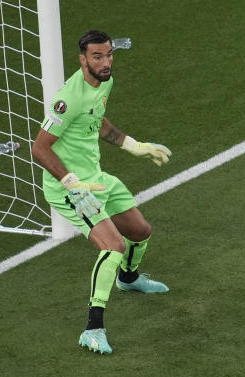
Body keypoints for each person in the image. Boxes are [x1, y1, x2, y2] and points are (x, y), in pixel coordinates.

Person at [32, 30, 172, 355]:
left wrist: (134, 146)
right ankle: (93, 328)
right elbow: (39, 148)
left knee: (140, 231)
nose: (106, 61)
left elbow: (98, 121)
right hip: (69, 187)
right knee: (114, 246)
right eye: (98, 56)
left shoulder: (104, 82)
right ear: (83, 59)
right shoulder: (68, 98)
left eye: (109, 54)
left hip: (96, 179)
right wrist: (71, 185)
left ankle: (129, 278)